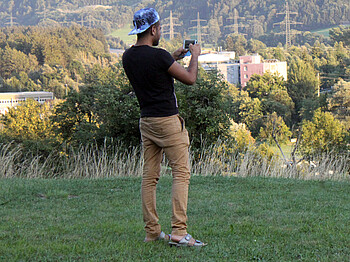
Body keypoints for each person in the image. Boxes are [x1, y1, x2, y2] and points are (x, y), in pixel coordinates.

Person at [122, 8, 206, 247]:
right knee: (181, 173)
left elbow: (152, 67)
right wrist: (194, 56)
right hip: (168, 121)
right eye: (159, 28)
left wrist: (173, 57)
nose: (160, 32)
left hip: (146, 122)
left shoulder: (128, 57)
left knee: (150, 176)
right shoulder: (159, 57)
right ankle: (179, 231)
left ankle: (152, 231)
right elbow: (190, 79)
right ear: (153, 29)